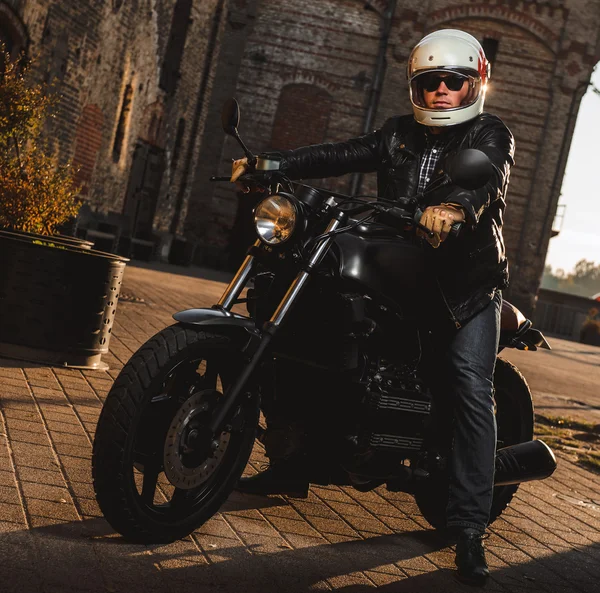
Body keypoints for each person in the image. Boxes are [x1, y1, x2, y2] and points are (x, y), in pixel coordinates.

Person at [231, 29, 514, 587]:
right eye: (428, 83)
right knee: (302, 338)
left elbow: (488, 183)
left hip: (465, 286)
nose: (439, 92)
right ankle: (292, 464)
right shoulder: (397, 133)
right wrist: (273, 162)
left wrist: (454, 206)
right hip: (401, 265)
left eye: (452, 82)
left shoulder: (490, 133)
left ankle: (469, 529)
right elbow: (342, 152)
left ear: (475, 83)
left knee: (467, 384)